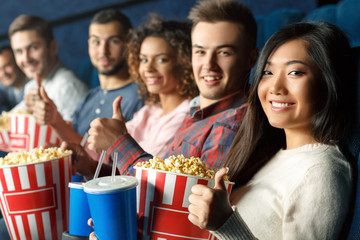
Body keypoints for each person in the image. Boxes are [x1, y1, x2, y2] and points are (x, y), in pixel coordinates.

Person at [187, 22, 354, 239]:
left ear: (329, 82)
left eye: (295, 72)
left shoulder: (321, 171)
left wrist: (225, 224)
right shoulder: (271, 153)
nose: (275, 87)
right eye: (267, 72)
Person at [65, 0, 259, 179]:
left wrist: (119, 144)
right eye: (200, 51)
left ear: (251, 59)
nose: (208, 64)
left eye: (224, 52)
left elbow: (176, 201)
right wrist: (92, 168)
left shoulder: (230, 124)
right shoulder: (198, 111)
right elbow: (162, 174)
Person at [86, 15, 198, 160]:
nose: (148, 68)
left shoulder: (187, 116)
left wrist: (114, 141)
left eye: (161, 59)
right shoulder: (150, 110)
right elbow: (101, 152)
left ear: (184, 63)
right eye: (144, 59)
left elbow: (147, 168)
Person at [31, 9, 144, 146]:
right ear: (89, 44)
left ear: (129, 44)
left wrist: (56, 120)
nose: (103, 51)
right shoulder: (89, 98)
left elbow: (115, 161)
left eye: (113, 41)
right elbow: (79, 151)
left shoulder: (138, 97)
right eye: (96, 42)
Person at [9, 14, 88, 121]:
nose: (26, 58)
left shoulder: (67, 86)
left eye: (33, 48)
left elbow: (83, 137)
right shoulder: (31, 86)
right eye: (19, 51)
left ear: (53, 47)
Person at [0, 45, 27, 111]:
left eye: (7, 66)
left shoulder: (35, 84)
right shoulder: (3, 87)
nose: (3, 73)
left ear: (17, 62)